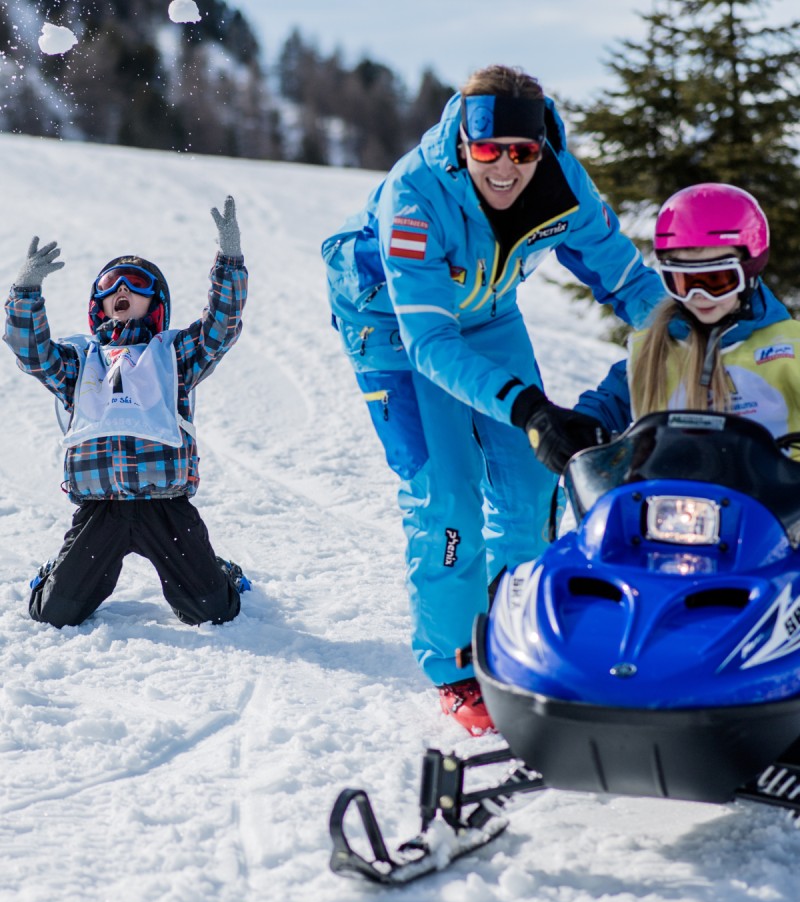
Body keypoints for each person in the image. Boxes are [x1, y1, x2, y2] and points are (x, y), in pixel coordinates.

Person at [321, 64, 664, 735]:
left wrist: (692, 342)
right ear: (463, 145)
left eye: (523, 153)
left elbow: (631, 284)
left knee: (533, 482)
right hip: (394, 324)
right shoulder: (415, 196)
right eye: (488, 151)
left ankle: (516, 635)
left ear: (542, 147)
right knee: (446, 497)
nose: (506, 169)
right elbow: (430, 344)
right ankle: (454, 669)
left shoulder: (563, 182)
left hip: (487, 310)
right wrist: (530, 407)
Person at [4, 195, 250, 628]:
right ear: (97, 304)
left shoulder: (174, 357)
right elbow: (32, 353)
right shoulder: (80, 363)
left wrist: (229, 260)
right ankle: (57, 574)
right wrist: (26, 292)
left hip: (165, 507)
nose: (122, 290)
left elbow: (221, 326)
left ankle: (219, 570)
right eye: (112, 284)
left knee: (214, 611)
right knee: (53, 613)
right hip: (102, 511)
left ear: (154, 305)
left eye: (135, 283)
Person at [527, 182, 800, 469]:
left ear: (750, 271)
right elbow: (610, 402)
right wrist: (577, 429)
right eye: (683, 281)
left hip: (779, 505)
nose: (699, 297)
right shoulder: (657, 349)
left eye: (717, 281)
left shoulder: (789, 348)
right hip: (671, 501)